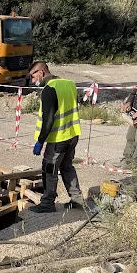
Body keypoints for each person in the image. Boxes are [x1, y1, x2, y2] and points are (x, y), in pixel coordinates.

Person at [29, 61, 84, 213]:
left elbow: (48, 120)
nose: (33, 81)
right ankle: (77, 200)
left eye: (33, 77)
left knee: (49, 170)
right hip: (72, 135)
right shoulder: (69, 84)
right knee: (67, 167)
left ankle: (47, 204)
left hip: (58, 139)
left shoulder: (49, 89)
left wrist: (40, 141)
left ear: (41, 72)